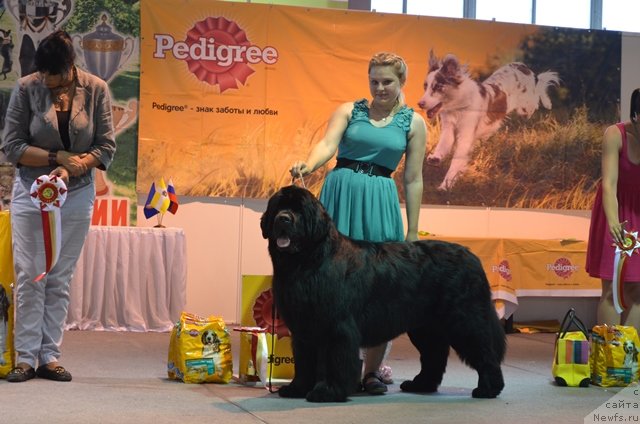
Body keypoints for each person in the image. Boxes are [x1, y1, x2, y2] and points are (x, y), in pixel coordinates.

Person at [290, 52, 427, 394]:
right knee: (330, 286)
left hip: (380, 199)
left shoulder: (414, 123)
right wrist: (308, 165)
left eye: (387, 82)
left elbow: (413, 179)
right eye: (374, 81)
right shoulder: (349, 111)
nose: (380, 88)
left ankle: (371, 372)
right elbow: (327, 144)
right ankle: (334, 371)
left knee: (379, 290)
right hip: (339, 192)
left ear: (401, 83)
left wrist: (412, 230)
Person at [0, 30, 116, 382]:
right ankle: (25, 357)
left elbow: (106, 146)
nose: (48, 84)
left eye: (55, 77)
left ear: (70, 68)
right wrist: (55, 157)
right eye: (43, 77)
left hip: (77, 193)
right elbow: (12, 147)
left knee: (59, 277)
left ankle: (49, 355)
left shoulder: (96, 89)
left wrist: (74, 166)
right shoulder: (26, 87)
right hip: (30, 191)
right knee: (30, 275)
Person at [586, 88, 640, 330]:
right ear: (637, 116)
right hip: (615, 210)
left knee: (637, 289)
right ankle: (610, 358)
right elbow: (609, 185)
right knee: (611, 288)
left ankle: (630, 359)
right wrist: (613, 223)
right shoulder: (615, 134)